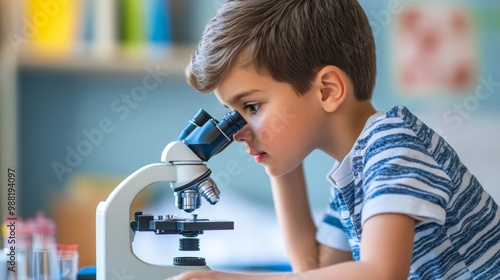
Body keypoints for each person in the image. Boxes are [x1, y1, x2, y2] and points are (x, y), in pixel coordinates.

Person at [168, 0, 500, 279]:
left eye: (251, 107)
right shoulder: (352, 170)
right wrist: (280, 167)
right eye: (232, 113)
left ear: (328, 90)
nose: (238, 131)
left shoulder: (394, 146)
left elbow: (380, 273)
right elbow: (311, 267)